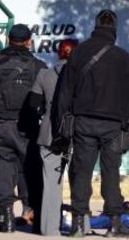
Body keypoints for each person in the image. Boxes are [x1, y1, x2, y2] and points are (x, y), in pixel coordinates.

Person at [56, 10, 129, 238]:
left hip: (83, 122)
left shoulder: (78, 54)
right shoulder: (123, 57)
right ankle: (114, 223)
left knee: (82, 172)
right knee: (111, 173)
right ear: (114, 30)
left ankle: (78, 223)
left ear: (95, 27)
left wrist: (62, 124)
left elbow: (65, 92)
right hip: (113, 126)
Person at [0, 24, 47, 233]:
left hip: (2, 125)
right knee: (31, 171)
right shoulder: (38, 66)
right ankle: (33, 214)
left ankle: (6, 217)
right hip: (28, 127)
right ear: (29, 41)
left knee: (5, 171)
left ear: (8, 40)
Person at [29, 39, 78, 236]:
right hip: (76, 132)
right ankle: (81, 226)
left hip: (49, 133)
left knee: (51, 184)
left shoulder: (44, 74)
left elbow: (33, 104)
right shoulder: (82, 75)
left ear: (59, 53)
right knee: (80, 182)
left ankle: (49, 228)